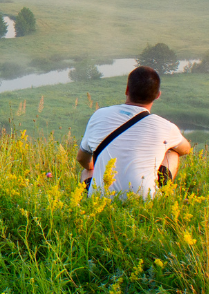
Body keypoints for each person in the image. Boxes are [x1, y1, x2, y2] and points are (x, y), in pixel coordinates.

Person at [76, 66, 191, 199]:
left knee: (87, 172)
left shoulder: (99, 115)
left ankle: (92, 203)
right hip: (144, 199)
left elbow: (81, 158)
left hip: (102, 199)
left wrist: (98, 167)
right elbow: (185, 149)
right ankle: (164, 194)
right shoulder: (165, 126)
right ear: (157, 95)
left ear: (127, 90)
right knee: (173, 153)